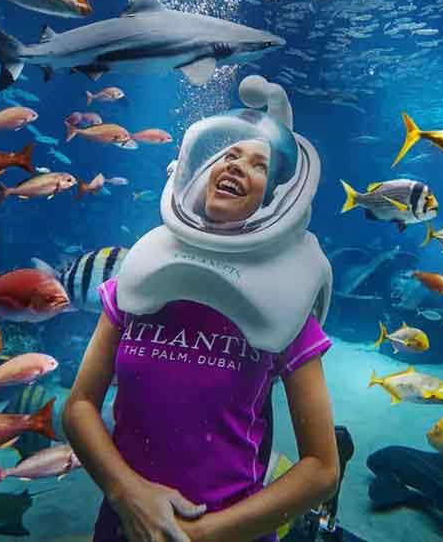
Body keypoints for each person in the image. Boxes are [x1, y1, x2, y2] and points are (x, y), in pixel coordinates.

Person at [64, 76, 338, 542]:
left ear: (273, 198)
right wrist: (126, 492)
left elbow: (322, 468)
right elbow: (79, 406)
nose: (236, 166)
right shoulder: (140, 276)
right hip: (124, 528)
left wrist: (203, 535)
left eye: (258, 165)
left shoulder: (285, 300)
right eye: (230, 155)